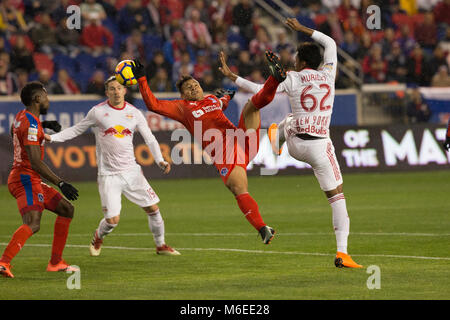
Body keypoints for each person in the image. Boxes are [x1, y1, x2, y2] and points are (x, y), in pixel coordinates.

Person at [220, 18, 362, 268]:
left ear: (302, 62)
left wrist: (234, 77)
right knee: (337, 197)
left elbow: (260, 90)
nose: (294, 61)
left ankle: (279, 137)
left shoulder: (293, 79)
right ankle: (343, 253)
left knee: (291, 118)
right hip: (319, 146)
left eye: (296, 57)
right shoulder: (329, 74)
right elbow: (329, 41)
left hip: (296, 145)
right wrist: (301, 29)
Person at [131, 50, 287, 244]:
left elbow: (223, 100)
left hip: (242, 140)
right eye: (188, 88)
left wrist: (227, 96)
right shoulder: (182, 108)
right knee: (239, 189)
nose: (193, 88)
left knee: (251, 106)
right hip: (226, 153)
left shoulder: (212, 100)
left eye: (195, 85)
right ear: (182, 94)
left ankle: (275, 79)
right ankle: (263, 228)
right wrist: (142, 79)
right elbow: (153, 104)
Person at [45, 76, 179, 256]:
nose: (116, 92)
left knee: (153, 209)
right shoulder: (97, 112)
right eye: (112, 89)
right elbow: (77, 129)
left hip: (132, 172)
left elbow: (150, 138)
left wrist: (159, 160)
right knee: (112, 220)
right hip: (109, 175)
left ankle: (160, 245)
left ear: (125, 91)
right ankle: (98, 236)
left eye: (119, 88)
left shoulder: (134, 113)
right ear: (107, 92)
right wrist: (52, 138)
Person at [0, 81, 79, 278]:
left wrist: (44, 126)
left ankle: (55, 262)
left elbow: (16, 132)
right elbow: (35, 162)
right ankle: (3, 262)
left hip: (28, 177)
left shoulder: (21, 117)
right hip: (25, 178)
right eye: (45, 96)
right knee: (33, 222)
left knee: (66, 209)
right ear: (37, 99)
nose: (48, 99)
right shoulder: (31, 122)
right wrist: (60, 182)